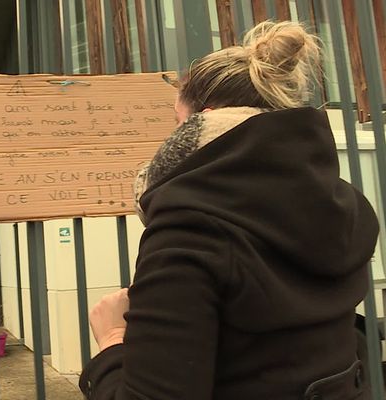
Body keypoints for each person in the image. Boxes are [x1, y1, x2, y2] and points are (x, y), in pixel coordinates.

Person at [80, 20, 379, 400]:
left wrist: (111, 344)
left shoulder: (190, 231)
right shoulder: (345, 207)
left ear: (202, 120)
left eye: (177, 121)